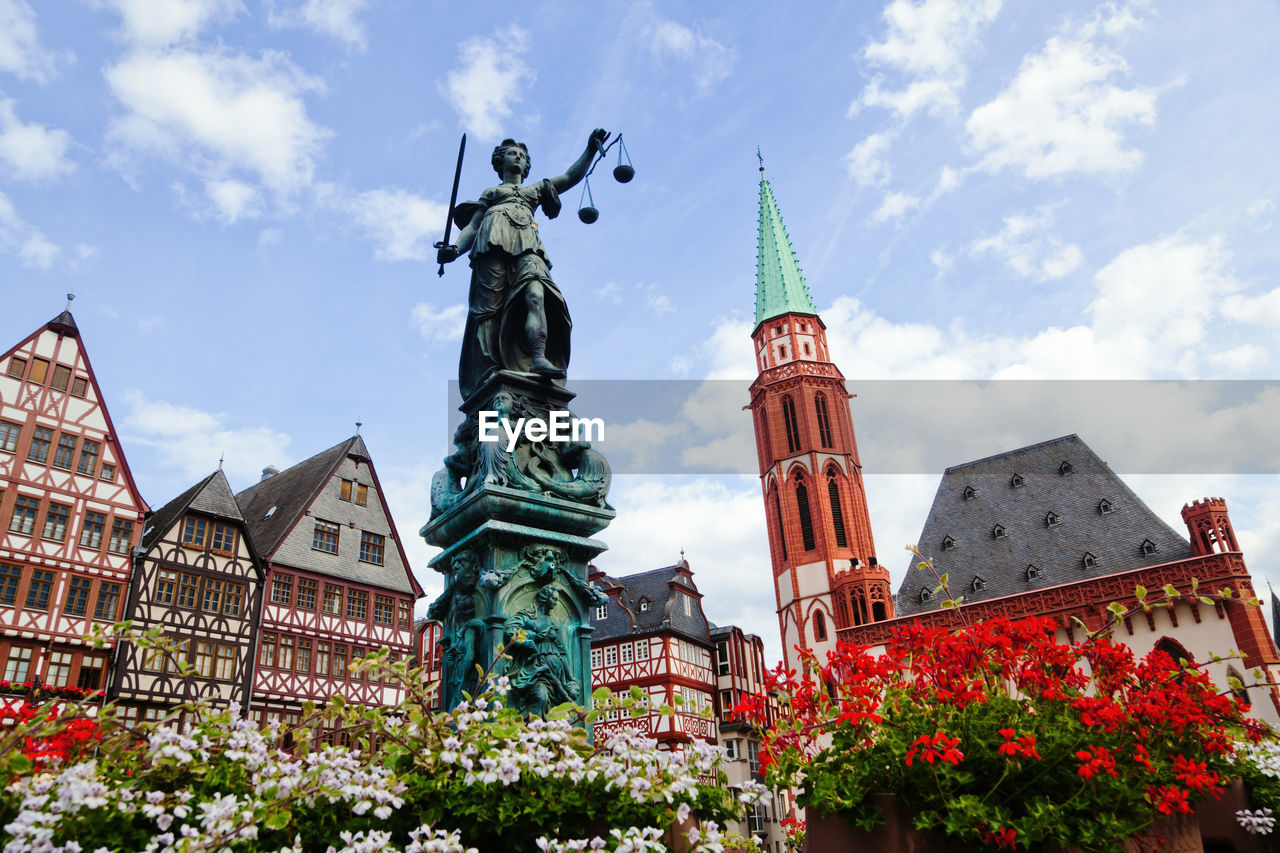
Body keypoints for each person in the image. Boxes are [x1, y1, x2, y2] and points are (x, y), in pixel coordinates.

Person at [437, 129, 609, 400]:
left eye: (521, 155)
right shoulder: (492, 192)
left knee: (537, 291)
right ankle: (490, 373)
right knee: (489, 312)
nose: (517, 157)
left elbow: (569, 177)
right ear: (500, 161)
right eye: (511, 154)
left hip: (527, 244)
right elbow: (472, 226)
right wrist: (455, 249)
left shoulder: (533, 191)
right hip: (491, 245)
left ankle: (538, 356)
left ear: (526, 165)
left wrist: (589, 151)